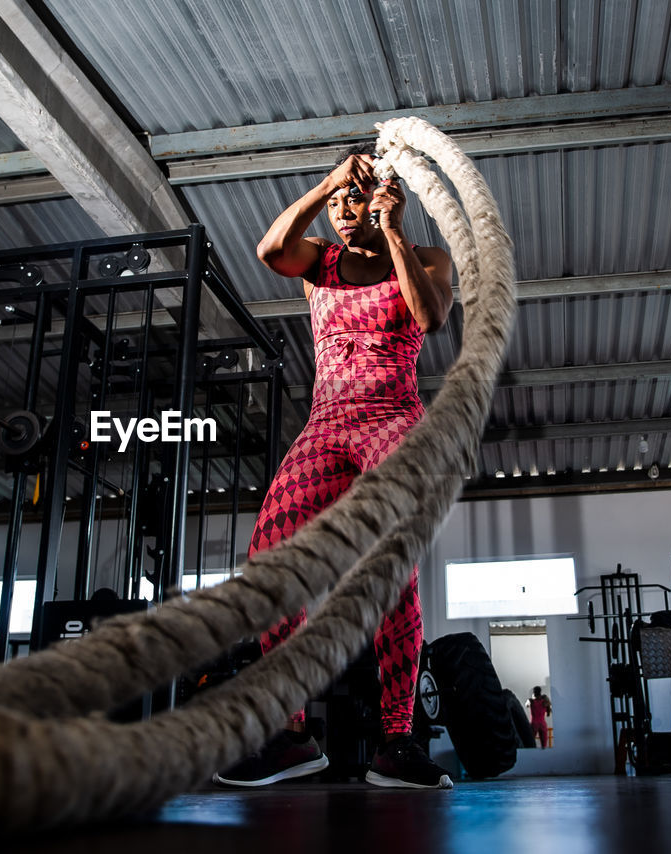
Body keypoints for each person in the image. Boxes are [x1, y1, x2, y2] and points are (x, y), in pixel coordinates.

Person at [212, 143, 455, 790]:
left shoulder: (427, 257)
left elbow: (430, 316)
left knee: (389, 569)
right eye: (340, 203)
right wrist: (326, 183)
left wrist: (398, 231)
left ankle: (396, 742)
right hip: (326, 426)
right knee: (269, 558)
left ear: (384, 203)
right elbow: (269, 250)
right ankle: (292, 736)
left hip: (392, 420)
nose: (345, 213)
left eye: (358, 201)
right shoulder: (319, 261)